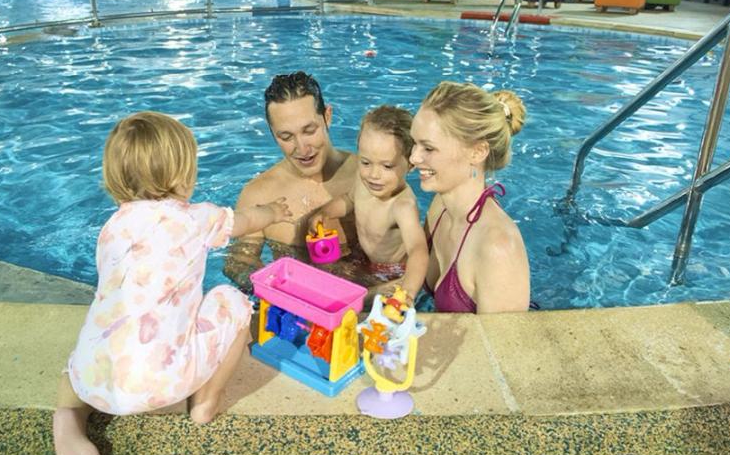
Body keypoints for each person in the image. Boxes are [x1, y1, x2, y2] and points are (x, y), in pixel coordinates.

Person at [54, 111, 292, 455]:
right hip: (165, 382)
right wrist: (273, 211)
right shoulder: (197, 218)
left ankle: (68, 419)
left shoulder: (111, 228)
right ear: (182, 176)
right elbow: (247, 221)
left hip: (98, 381)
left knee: (81, 360)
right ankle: (205, 402)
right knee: (235, 300)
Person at [223, 71, 360, 292]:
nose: (302, 148)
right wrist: (274, 286)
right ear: (272, 133)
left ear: (327, 116)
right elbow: (238, 262)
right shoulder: (258, 195)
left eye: (309, 130)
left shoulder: (365, 177)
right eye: (286, 137)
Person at [409, 81, 530, 313]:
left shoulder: (497, 248)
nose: (414, 158)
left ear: (477, 152)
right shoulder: (440, 207)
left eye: (428, 148)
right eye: (415, 143)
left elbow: (503, 348)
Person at [306, 105, 428, 302]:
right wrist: (325, 213)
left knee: (360, 301)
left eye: (387, 166)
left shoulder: (402, 205)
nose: (373, 174)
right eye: (365, 162)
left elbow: (418, 250)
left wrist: (408, 292)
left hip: (393, 273)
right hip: (366, 259)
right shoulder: (364, 184)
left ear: (412, 163)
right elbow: (348, 200)